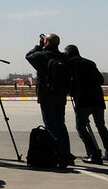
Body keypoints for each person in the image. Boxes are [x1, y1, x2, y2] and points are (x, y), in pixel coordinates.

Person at [26, 33, 74, 167]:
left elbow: (28, 56)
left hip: (46, 94)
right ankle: (67, 153)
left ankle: (64, 154)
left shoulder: (41, 56)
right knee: (60, 123)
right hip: (60, 94)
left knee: (50, 124)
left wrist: (39, 46)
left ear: (47, 43)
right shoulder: (64, 57)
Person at [64, 44, 108, 164]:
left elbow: (69, 83)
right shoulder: (89, 63)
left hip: (83, 100)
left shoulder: (70, 65)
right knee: (101, 126)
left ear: (67, 53)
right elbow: (100, 79)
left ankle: (94, 154)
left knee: (81, 127)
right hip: (97, 99)